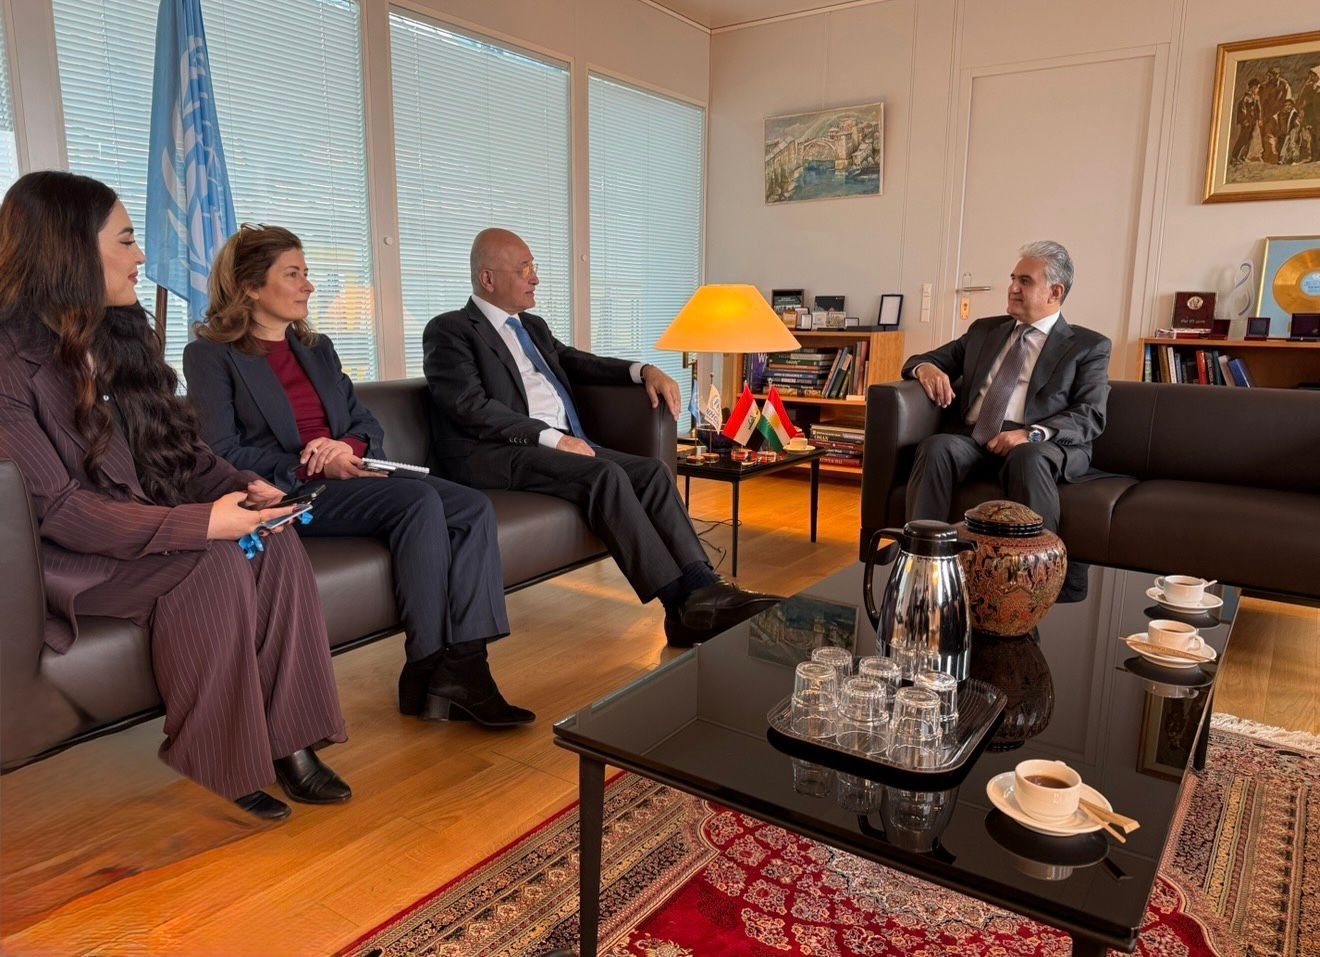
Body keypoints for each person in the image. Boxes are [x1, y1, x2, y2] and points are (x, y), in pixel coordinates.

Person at [0, 172, 349, 821]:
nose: (140, 256)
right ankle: (219, 758)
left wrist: (243, 489)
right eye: (125, 240)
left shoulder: (118, 335)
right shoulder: (8, 364)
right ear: (68, 249)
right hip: (76, 559)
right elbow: (60, 509)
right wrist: (202, 524)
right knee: (213, 558)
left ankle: (292, 740)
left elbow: (180, 452)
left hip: (145, 528)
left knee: (272, 544)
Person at [184, 225, 531, 730]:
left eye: (306, 273)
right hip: (291, 490)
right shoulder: (211, 356)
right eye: (293, 274)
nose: (309, 285)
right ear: (252, 287)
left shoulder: (317, 348)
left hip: (349, 472)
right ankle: (426, 666)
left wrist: (347, 447)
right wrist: (312, 462)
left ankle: (466, 668)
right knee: (417, 503)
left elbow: (364, 422)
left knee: (473, 507)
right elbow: (221, 451)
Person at [423, 228, 779, 647]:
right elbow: (469, 406)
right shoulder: (449, 331)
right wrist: (550, 438)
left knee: (652, 472)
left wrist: (643, 370)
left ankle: (702, 586)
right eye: (524, 269)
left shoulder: (531, 326)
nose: (535, 277)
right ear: (488, 279)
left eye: (534, 267)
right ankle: (680, 605)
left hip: (559, 443)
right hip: (497, 452)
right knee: (605, 475)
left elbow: (577, 362)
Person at [901, 240, 1110, 600]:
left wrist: (1032, 434)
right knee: (937, 447)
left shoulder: (1088, 346)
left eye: (1025, 281)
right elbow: (921, 359)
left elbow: (1090, 414)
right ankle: (922, 564)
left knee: (1027, 456)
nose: (1012, 288)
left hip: (1041, 443)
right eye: (1013, 278)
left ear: (1055, 292)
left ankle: (1041, 580)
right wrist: (927, 369)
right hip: (975, 438)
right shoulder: (985, 331)